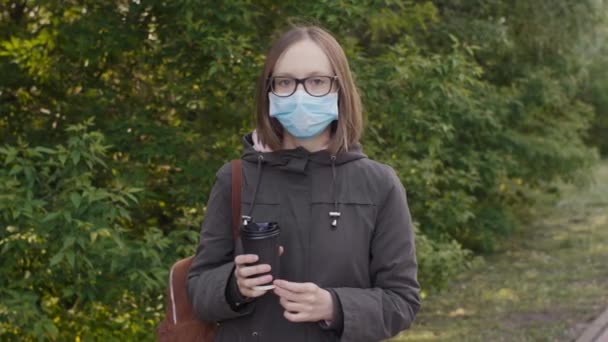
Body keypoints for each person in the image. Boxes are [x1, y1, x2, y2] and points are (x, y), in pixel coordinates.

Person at [187, 25, 420, 342]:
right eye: (285, 82)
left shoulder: (378, 184)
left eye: (316, 81)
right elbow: (198, 287)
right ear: (269, 91)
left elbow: (402, 302)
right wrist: (233, 285)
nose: (300, 93)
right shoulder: (236, 178)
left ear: (340, 89)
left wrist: (334, 306)